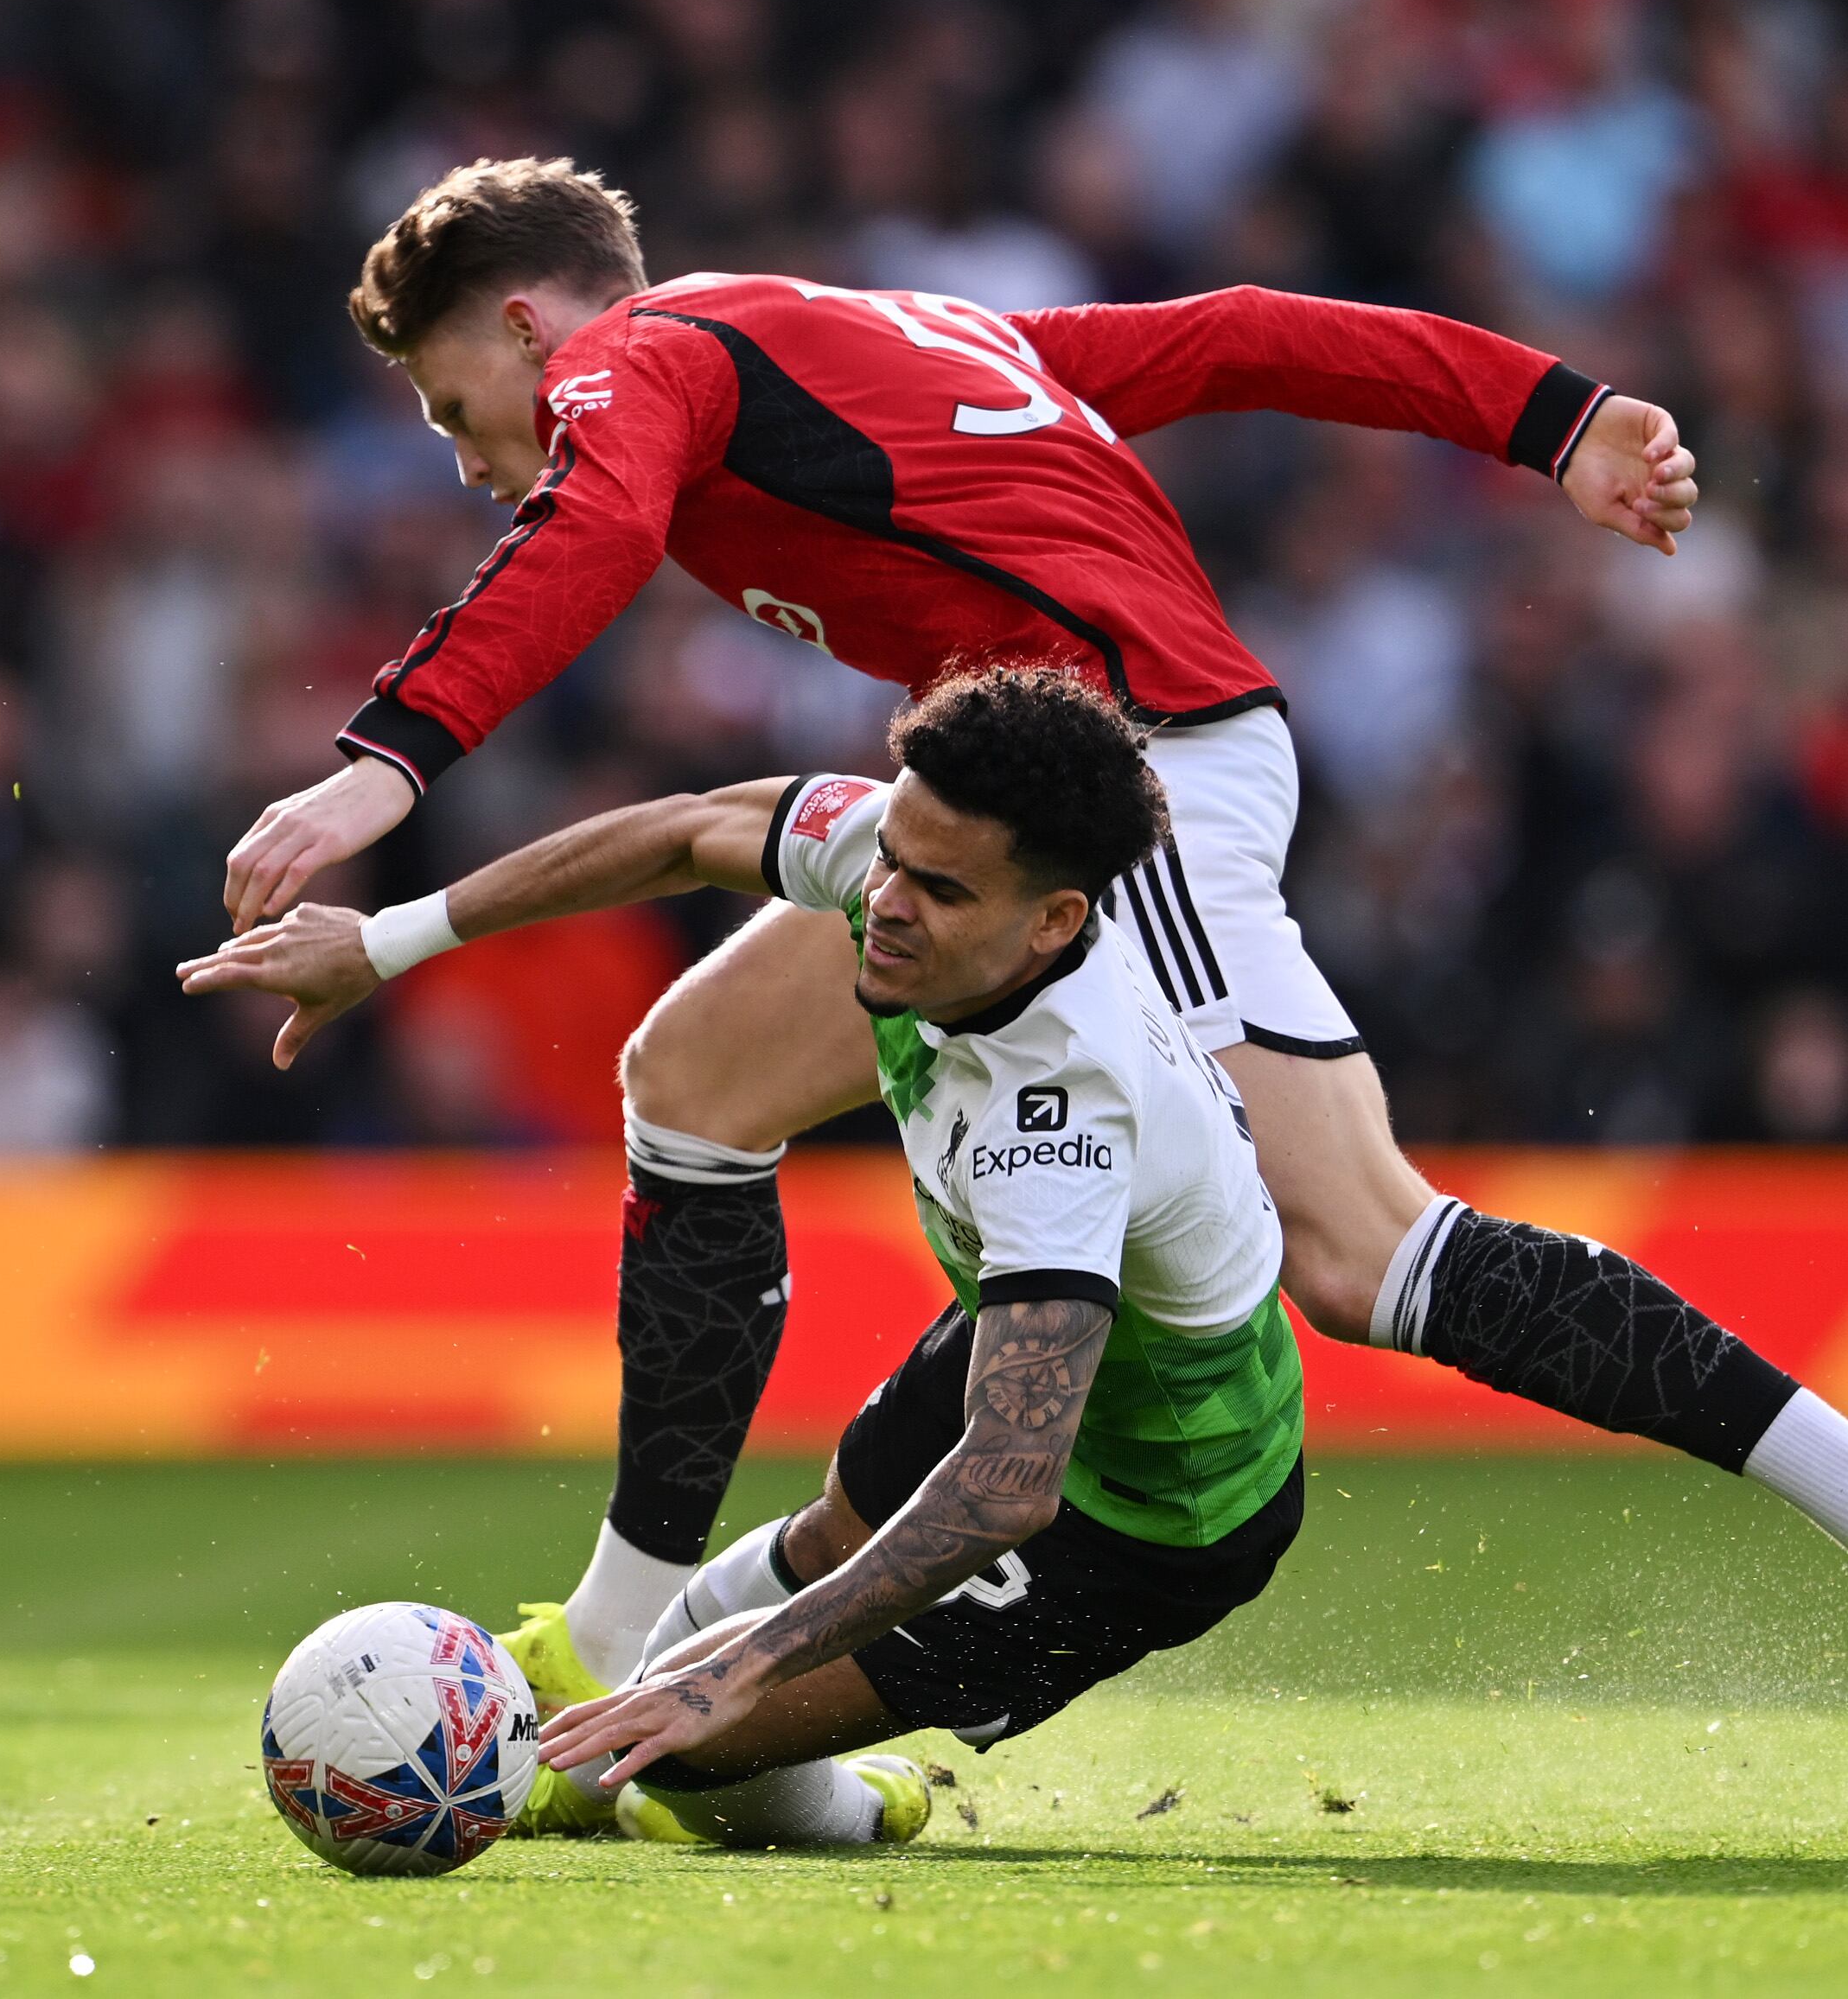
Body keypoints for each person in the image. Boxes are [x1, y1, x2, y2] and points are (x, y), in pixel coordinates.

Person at [212, 157, 1848, 1784]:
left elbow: (594, 527)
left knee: (1362, 1249)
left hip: (1129, 790)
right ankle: (613, 1633)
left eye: (456, 407)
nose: (472, 457)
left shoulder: (638, 361)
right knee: (692, 1081)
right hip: (1009, 794)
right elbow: (1245, 335)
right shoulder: (896, 338)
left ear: (527, 324)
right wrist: (1550, 416)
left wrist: (385, 767)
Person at [186, 671, 1309, 1845]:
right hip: (1030, 1330)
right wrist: (383, 942)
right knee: (805, 1560)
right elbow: (683, 833)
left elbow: (1005, 1484)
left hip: (1162, 1499)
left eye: (940, 890)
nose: (887, 903)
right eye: (893, 858)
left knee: (689, 1743)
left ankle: (865, 1807)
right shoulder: (901, 858)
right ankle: (629, 1730)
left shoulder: (1063, 1116)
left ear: (1055, 921)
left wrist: (741, 1674)